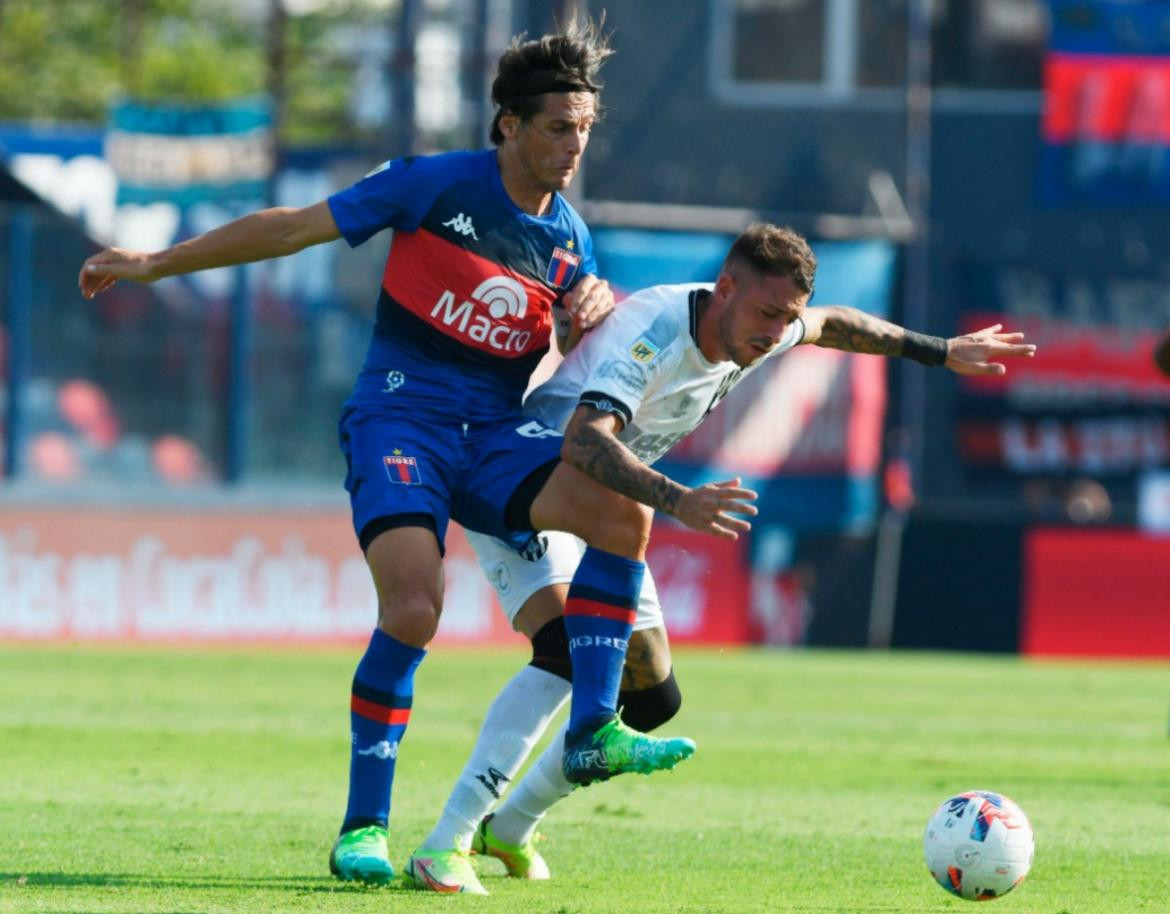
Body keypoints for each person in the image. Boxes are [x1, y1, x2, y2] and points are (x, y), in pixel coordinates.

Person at [77, 17, 755, 895]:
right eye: (559, 126)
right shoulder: (432, 185)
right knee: (413, 609)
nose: (575, 145)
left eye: (585, 128)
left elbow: (570, 351)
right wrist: (154, 264)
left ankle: (592, 726)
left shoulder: (571, 241)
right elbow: (289, 229)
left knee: (621, 510)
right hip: (401, 425)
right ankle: (364, 825)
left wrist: (579, 316)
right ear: (508, 124)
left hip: (496, 440)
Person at [415, 222, 1037, 893]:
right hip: (517, 469)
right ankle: (445, 842)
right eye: (768, 313)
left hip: (595, 501)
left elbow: (836, 324)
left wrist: (940, 350)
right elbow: (585, 443)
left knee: (652, 696)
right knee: (566, 652)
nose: (776, 332)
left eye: (785, 317)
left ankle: (508, 828)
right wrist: (680, 501)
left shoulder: (759, 327)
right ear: (727, 287)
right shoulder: (652, 328)